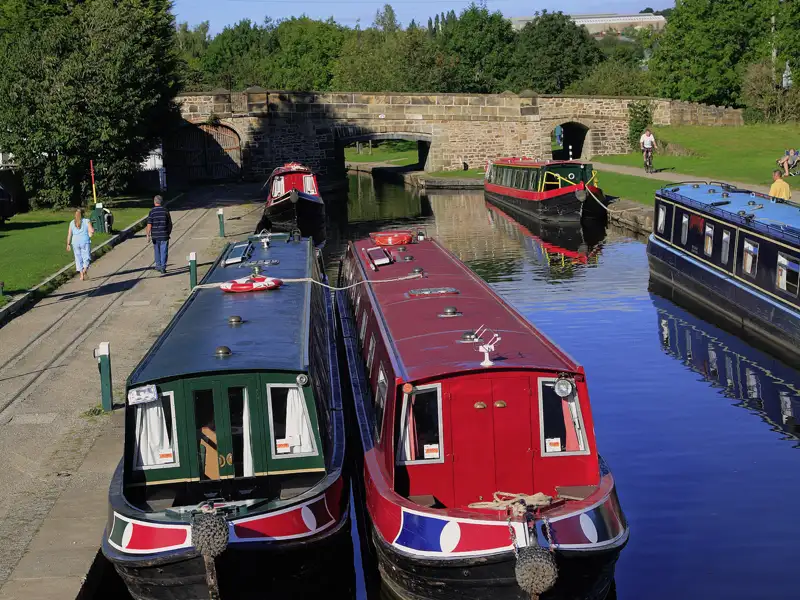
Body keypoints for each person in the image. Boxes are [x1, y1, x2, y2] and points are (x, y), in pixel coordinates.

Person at [146, 195, 172, 274]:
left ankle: (158, 265)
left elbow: (149, 224)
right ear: (161, 202)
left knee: (157, 251)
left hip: (155, 235)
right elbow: (170, 224)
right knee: (164, 251)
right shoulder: (165, 211)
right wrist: (168, 232)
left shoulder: (152, 212)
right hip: (164, 235)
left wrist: (148, 235)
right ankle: (163, 267)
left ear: (154, 202)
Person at [66, 208, 94, 281]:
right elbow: (91, 231)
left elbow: (69, 234)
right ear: (83, 214)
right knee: (86, 256)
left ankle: (81, 276)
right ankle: (85, 270)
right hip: (84, 241)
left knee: (78, 258)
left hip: (75, 242)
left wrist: (68, 244)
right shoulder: (86, 221)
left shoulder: (72, 223)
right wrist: (91, 233)